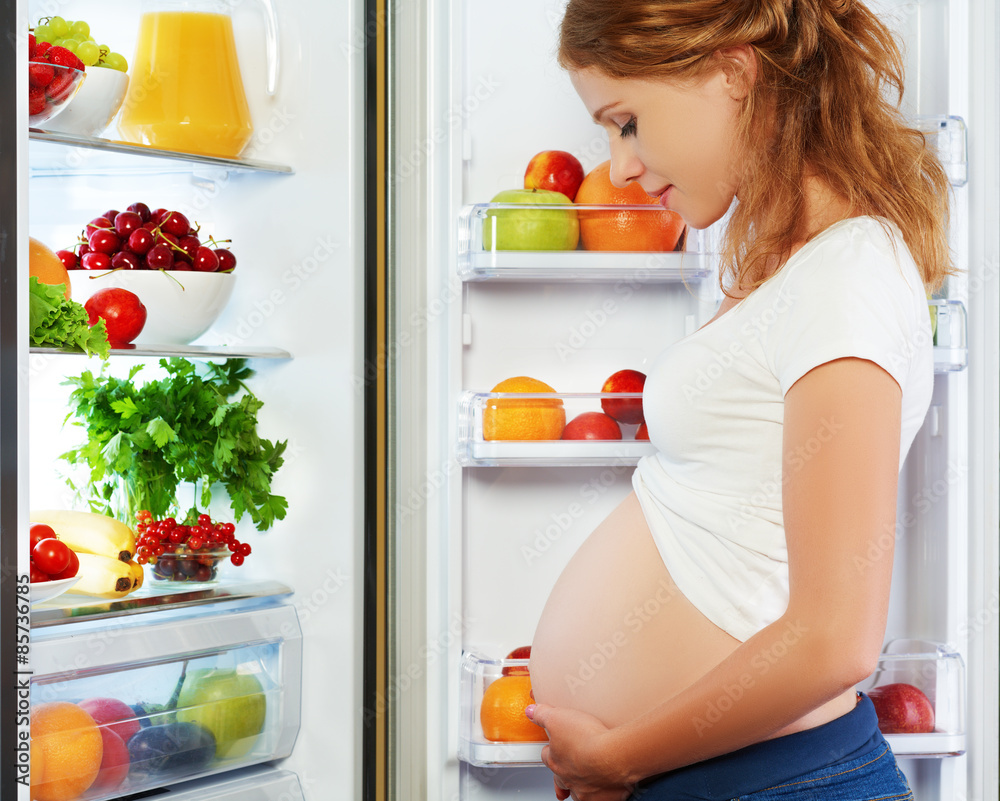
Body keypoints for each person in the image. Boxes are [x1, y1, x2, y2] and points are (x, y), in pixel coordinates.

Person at [523, 1, 953, 800]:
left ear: (732, 72)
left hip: (782, 781)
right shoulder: (796, 266)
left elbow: (836, 641)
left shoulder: (848, 274)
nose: (618, 167)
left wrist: (620, 758)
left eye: (626, 122)